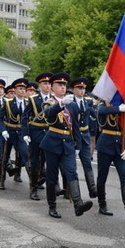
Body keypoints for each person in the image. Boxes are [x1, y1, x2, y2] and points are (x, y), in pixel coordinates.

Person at [39, 73, 92, 218]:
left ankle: (78, 204)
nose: (63, 87)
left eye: (64, 85)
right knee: (52, 176)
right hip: (52, 142)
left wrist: (78, 146)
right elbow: (49, 115)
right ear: (53, 88)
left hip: (68, 143)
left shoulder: (73, 105)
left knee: (72, 172)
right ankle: (52, 206)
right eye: (59, 85)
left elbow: (75, 127)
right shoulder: (48, 102)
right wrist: (61, 104)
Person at [95, 100, 125, 217]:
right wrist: (118, 109)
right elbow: (101, 111)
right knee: (102, 176)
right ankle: (102, 204)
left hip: (120, 147)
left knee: (124, 176)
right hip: (105, 145)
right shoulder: (104, 105)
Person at [21, 72, 53, 200]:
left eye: (49, 83)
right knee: (34, 161)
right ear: (40, 85)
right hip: (36, 133)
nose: (47, 86)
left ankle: (49, 185)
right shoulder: (33, 99)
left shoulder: (54, 99)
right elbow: (24, 117)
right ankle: (33, 189)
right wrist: (25, 133)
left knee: (49, 161)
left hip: (50, 133)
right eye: (45, 83)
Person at [0, 78, 30, 189]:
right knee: (5, 157)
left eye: (24, 89)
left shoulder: (28, 103)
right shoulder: (8, 103)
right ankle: (1, 180)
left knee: (25, 155)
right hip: (9, 132)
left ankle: (33, 182)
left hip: (21, 133)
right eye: (20, 88)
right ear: (15, 90)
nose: (22, 91)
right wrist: (3, 130)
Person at [70, 77, 98, 198]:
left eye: (83, 88)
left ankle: (92, 189)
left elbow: (94, 114)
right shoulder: (70, 102)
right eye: (79, 88)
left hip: (85, 136)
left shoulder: (87, 102)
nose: (82, 91)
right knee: (71, 166)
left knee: (87, 163)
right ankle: (72, 192)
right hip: (72, 137)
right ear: (74, 89)